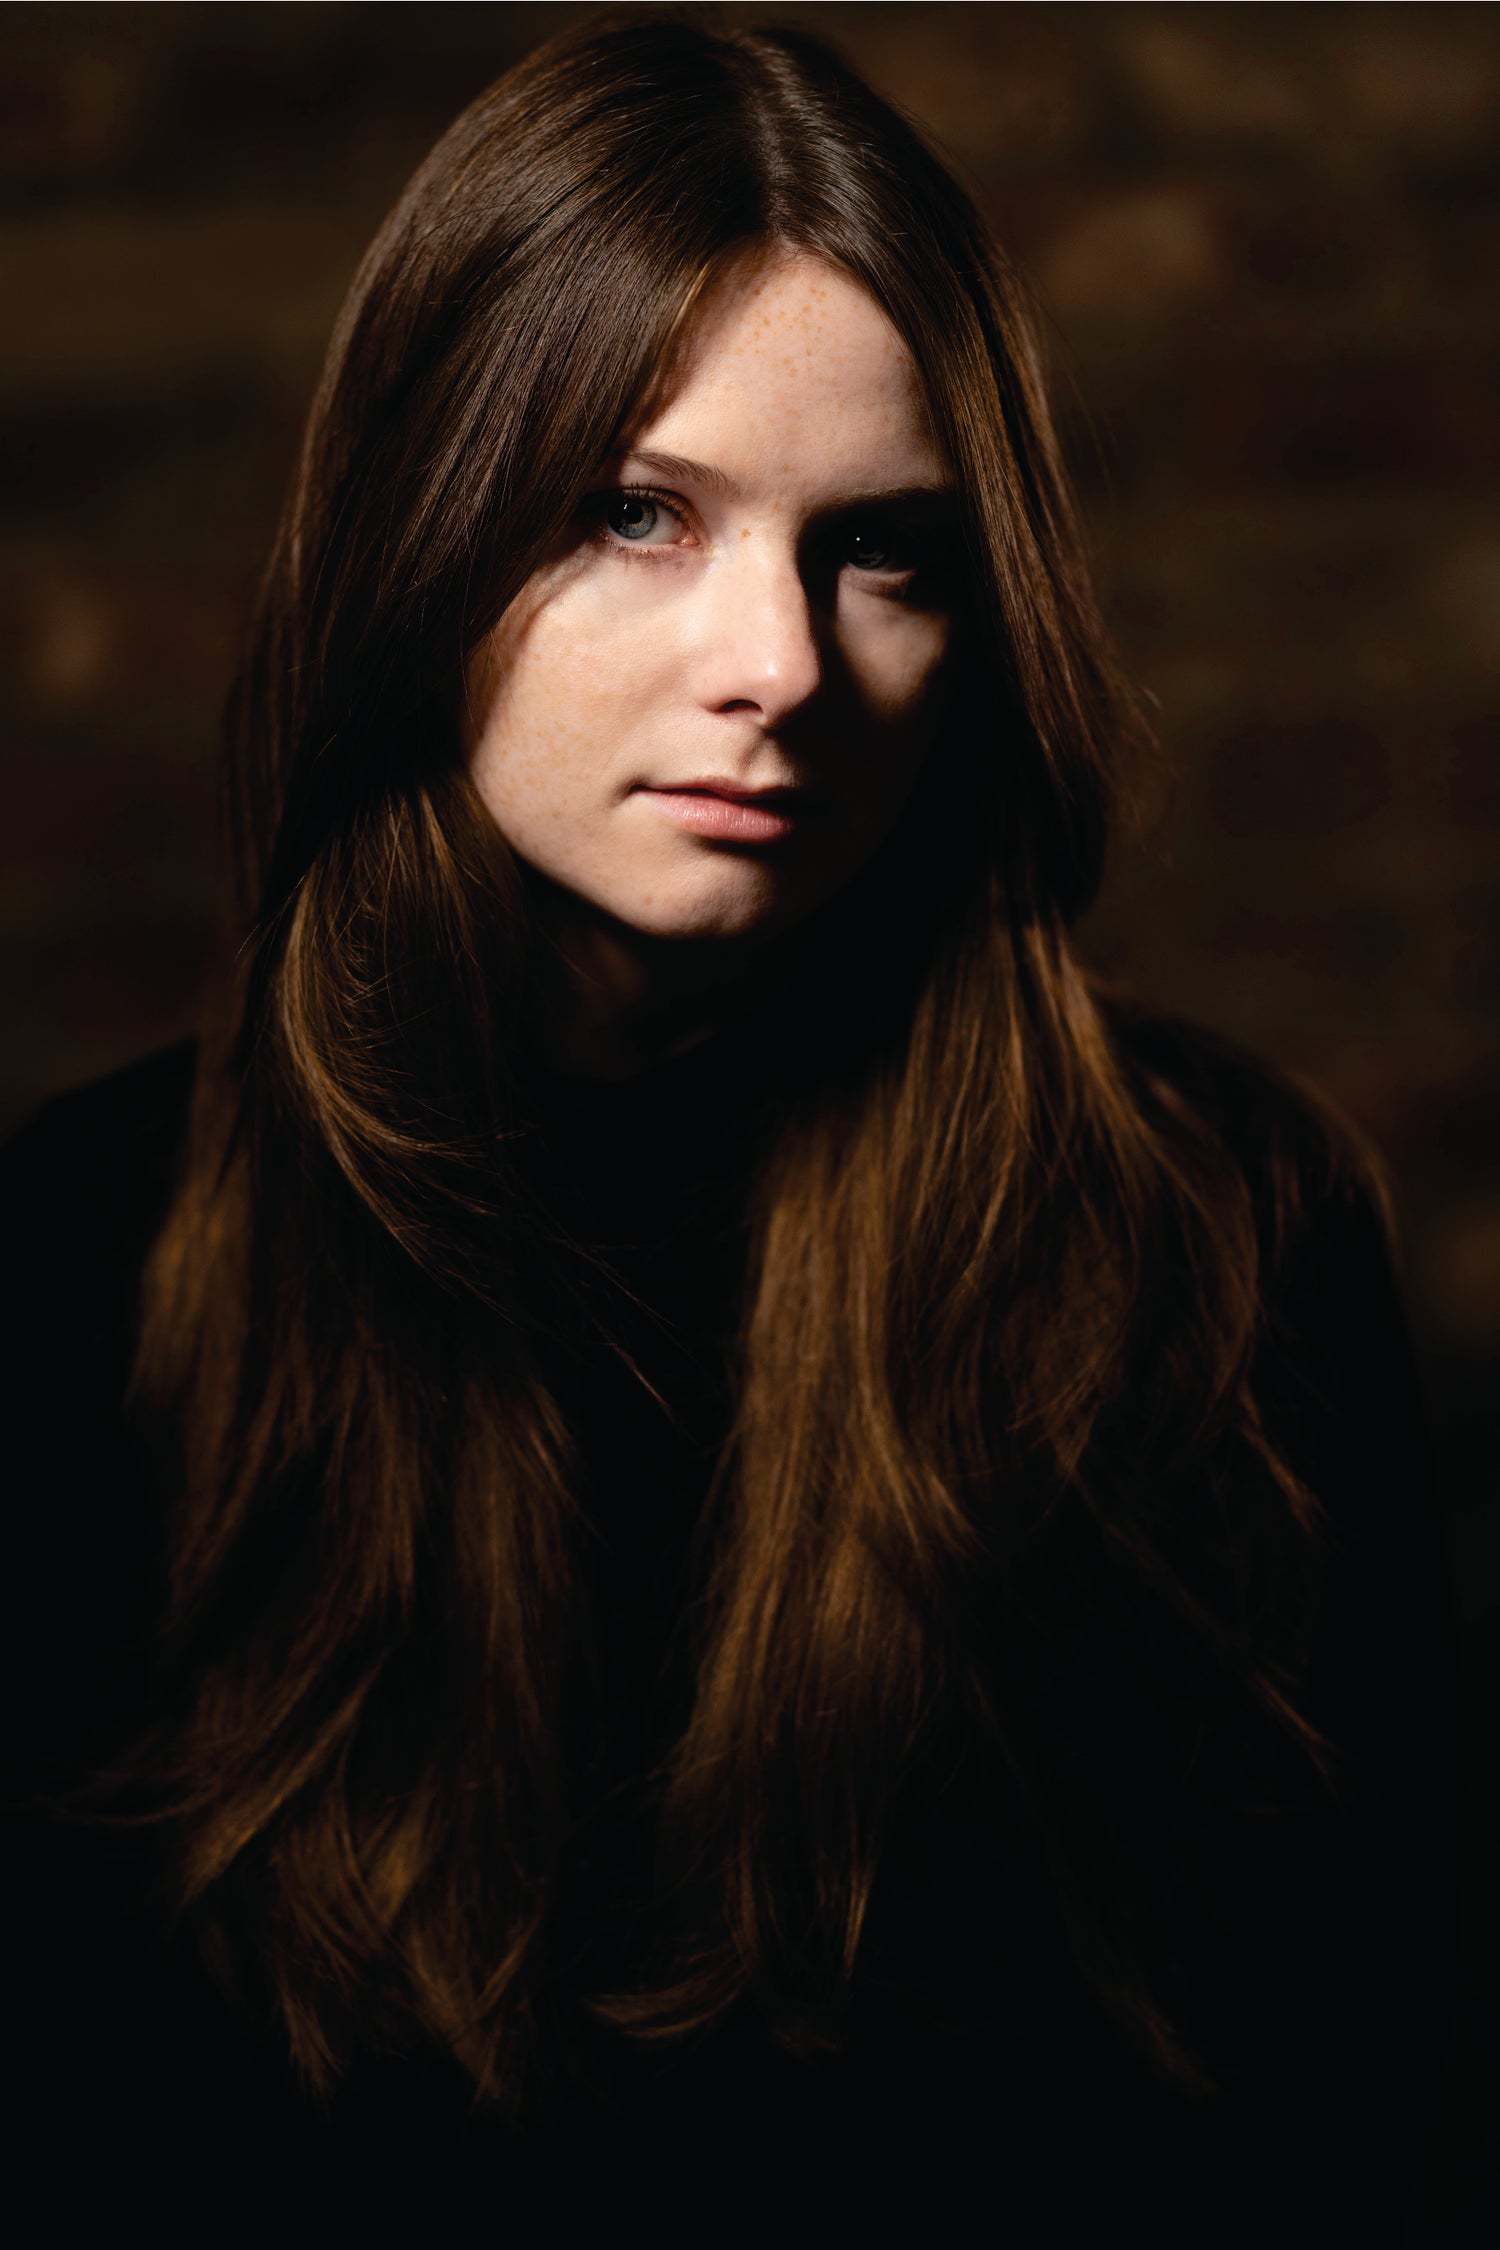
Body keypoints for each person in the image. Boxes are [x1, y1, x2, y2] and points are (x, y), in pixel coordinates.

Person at [0, 9, 1464, 2237]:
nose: (776, 660)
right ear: (422, 535)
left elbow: (1352, 2113)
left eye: (885, 551)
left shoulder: (1217, 1244)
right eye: (635, 513)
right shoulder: (80, 1267)